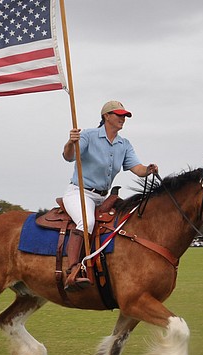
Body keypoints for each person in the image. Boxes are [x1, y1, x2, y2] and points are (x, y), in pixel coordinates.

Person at [61, 100, 158, 291]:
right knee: (86, 222)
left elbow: (136, 169)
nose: (123, 119)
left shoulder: (124, 144)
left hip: (103, 197)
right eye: (119, 115)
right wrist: (70, 142)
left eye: (125, 116)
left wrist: (148, 169)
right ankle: (72, 270)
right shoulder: (88, 135)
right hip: (80, 193)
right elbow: (68, 156)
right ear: (106, 116)